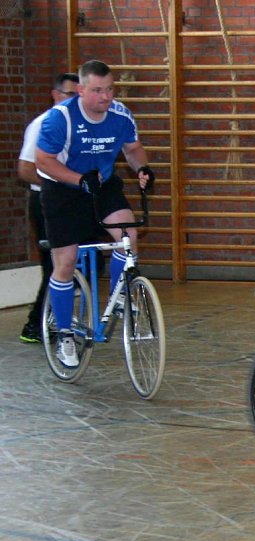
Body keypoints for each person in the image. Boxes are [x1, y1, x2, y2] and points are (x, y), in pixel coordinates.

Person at [35, 59, 155, 368]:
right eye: (98, 90)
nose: (106, 97)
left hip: (101, 184)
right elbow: (43, 161)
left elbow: (131, 148)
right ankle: (63, 334)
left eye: (110, 89)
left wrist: (141, 167)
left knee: (128, 235)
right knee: (65, 261)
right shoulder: (60, 118)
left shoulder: (120, 115)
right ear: (80, 90)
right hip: (63, 189)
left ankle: (120, 297)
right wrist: (78, 180)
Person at [17, 72, 80, 343]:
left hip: (74, 201)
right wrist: (60, 186)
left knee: (82, 262)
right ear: (55, 95)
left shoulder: (81, 124)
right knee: (56, 265)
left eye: (78, 95)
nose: (74, 100)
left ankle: (58, 319)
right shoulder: (43, 124)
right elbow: (26, 170)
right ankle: (35, 326)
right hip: (47, 202)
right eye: (69, 94)